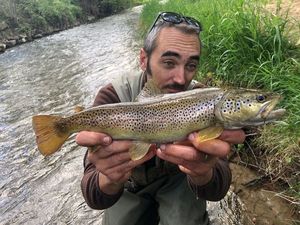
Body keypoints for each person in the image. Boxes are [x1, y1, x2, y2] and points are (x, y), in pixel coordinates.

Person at [76, 12, 245, 225]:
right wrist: (108, 179)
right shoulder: (113, 98)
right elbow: (93, 195)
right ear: (143, 60)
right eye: (169, 62)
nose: (181, 78)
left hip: (180, 181)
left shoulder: (205, 100)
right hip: (128, 185)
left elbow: (217, 188)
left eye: (191, 65)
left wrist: (204, 174)